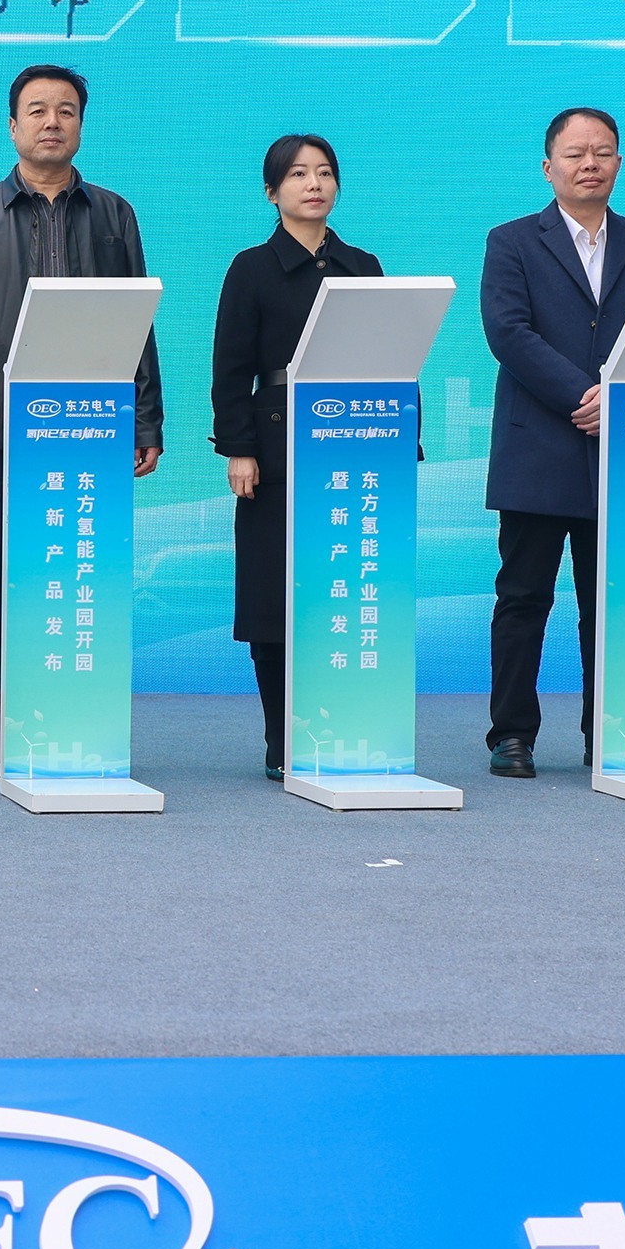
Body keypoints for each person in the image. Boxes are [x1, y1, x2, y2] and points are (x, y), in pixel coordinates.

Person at [0, 64, 164, 781]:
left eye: (65, 110)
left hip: (92, 429)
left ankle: (76, 715)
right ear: (13, 126)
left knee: (82, 575)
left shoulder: (115, 214)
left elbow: (138, 323)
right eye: (36, 110)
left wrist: (145, 420)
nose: (51, 122)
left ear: (81, 125)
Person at [480, 107, 625, 779]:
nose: (590, 163)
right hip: (537, 446)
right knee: (523, 597)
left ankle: (609, 733)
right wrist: (587, 395)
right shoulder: (511, 241)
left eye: (603, 151)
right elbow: (509, 333)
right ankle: (511, 734)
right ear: (548, 167)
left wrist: (618, 400)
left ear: (619, 162)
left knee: (611, 602)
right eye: (575, 153)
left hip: (620, 454)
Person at [211, 135, 381, 781]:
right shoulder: (251, 267)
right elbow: (230, 370)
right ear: (272, 192)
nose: (314, 184)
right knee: (274, 597)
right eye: (298, 174)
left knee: (344, 592)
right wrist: (239, 449)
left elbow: (392, 357)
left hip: (355, 450)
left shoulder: (362, 265)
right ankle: (283, 738)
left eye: (325, 173)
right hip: (277, 453)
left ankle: (349, 726)